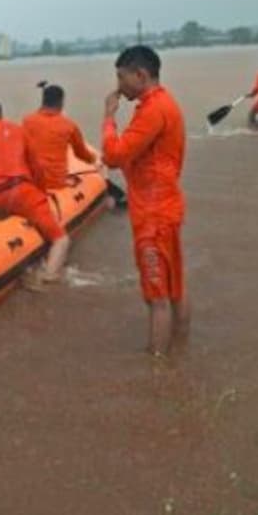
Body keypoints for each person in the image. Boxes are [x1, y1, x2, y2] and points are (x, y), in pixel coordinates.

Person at [100, 45, 187, 357]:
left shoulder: (152, 111)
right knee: (175, 289)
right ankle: (180, 350)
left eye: (121, 77)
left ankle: (158, 372)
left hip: (153, 214)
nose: (118, 86)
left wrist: (109, 117)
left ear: (141, 75)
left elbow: (112, 155)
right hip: (166, 205)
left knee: (157, 296)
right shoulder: (165, 104)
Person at [0, 100, 71, 285]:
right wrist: (41, 194)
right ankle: (48, 277)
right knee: (61, 239)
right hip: (21, 194)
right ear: (0, 114)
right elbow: (36, 167)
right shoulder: (18, 130)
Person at [21, 84, 96, 190]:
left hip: (32, 181)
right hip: (55, 183)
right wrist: (93, 159)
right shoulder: (69, 125)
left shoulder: (27, 121)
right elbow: (81, 153)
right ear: (61, 102)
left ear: (43, 101)